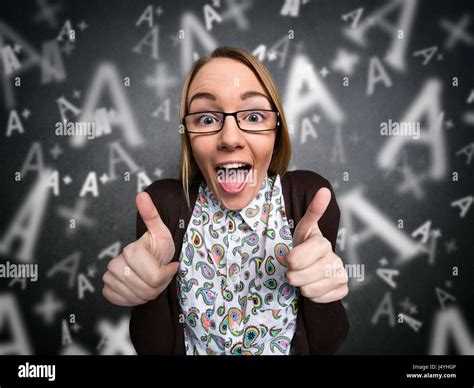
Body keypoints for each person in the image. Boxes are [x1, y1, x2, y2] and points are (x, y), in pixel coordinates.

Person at [102, 46, 349, 355]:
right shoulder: (163, 206)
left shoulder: (308, 198)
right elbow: (153, 349)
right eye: (206, 119)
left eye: (255, 115)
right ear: (188, 136)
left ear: (277, 129)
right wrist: (146, 294)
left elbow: (327, 343)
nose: (230, 138)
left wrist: (322, 294)